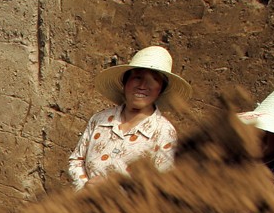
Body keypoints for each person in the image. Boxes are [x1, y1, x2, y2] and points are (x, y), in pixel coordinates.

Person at [68, 45, 192, 190]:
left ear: (161, 89)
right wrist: (85, 187)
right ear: (125, 83)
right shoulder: (100, 120)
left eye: (153, 80)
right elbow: (76, 160)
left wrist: (116, 192)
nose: (142, 85)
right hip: (84, 207)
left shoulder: (163, 132)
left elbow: (160, 186)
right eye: (137, 77)